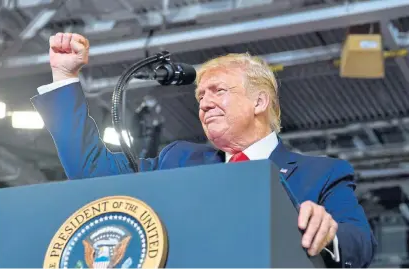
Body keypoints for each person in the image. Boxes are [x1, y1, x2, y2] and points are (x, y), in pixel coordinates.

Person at [31, 33, 376, 267]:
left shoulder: (322, 174)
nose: (205, 103)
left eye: (218, 91)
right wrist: (64, 77)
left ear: (260, 101)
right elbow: (93, 173)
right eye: (200, 96)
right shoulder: (178, 160)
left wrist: (329, 233)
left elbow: (360, 243)